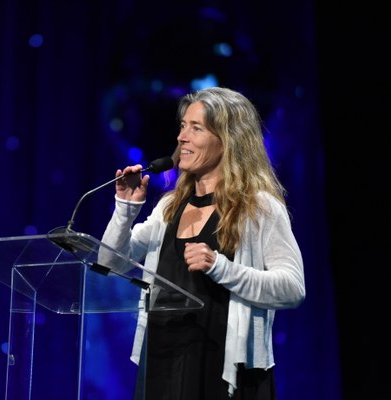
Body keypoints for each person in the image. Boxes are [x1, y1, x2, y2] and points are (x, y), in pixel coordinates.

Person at [100, 86, 306, 399]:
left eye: (196, 128)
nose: (182, 137)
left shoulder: (259, 208)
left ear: (228, 139)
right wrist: (125, 211)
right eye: (183, 126)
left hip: (222, 371)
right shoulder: (169, 208)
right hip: (162, 365)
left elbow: (292, 288)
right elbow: (110, 262)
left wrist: (222, 268)